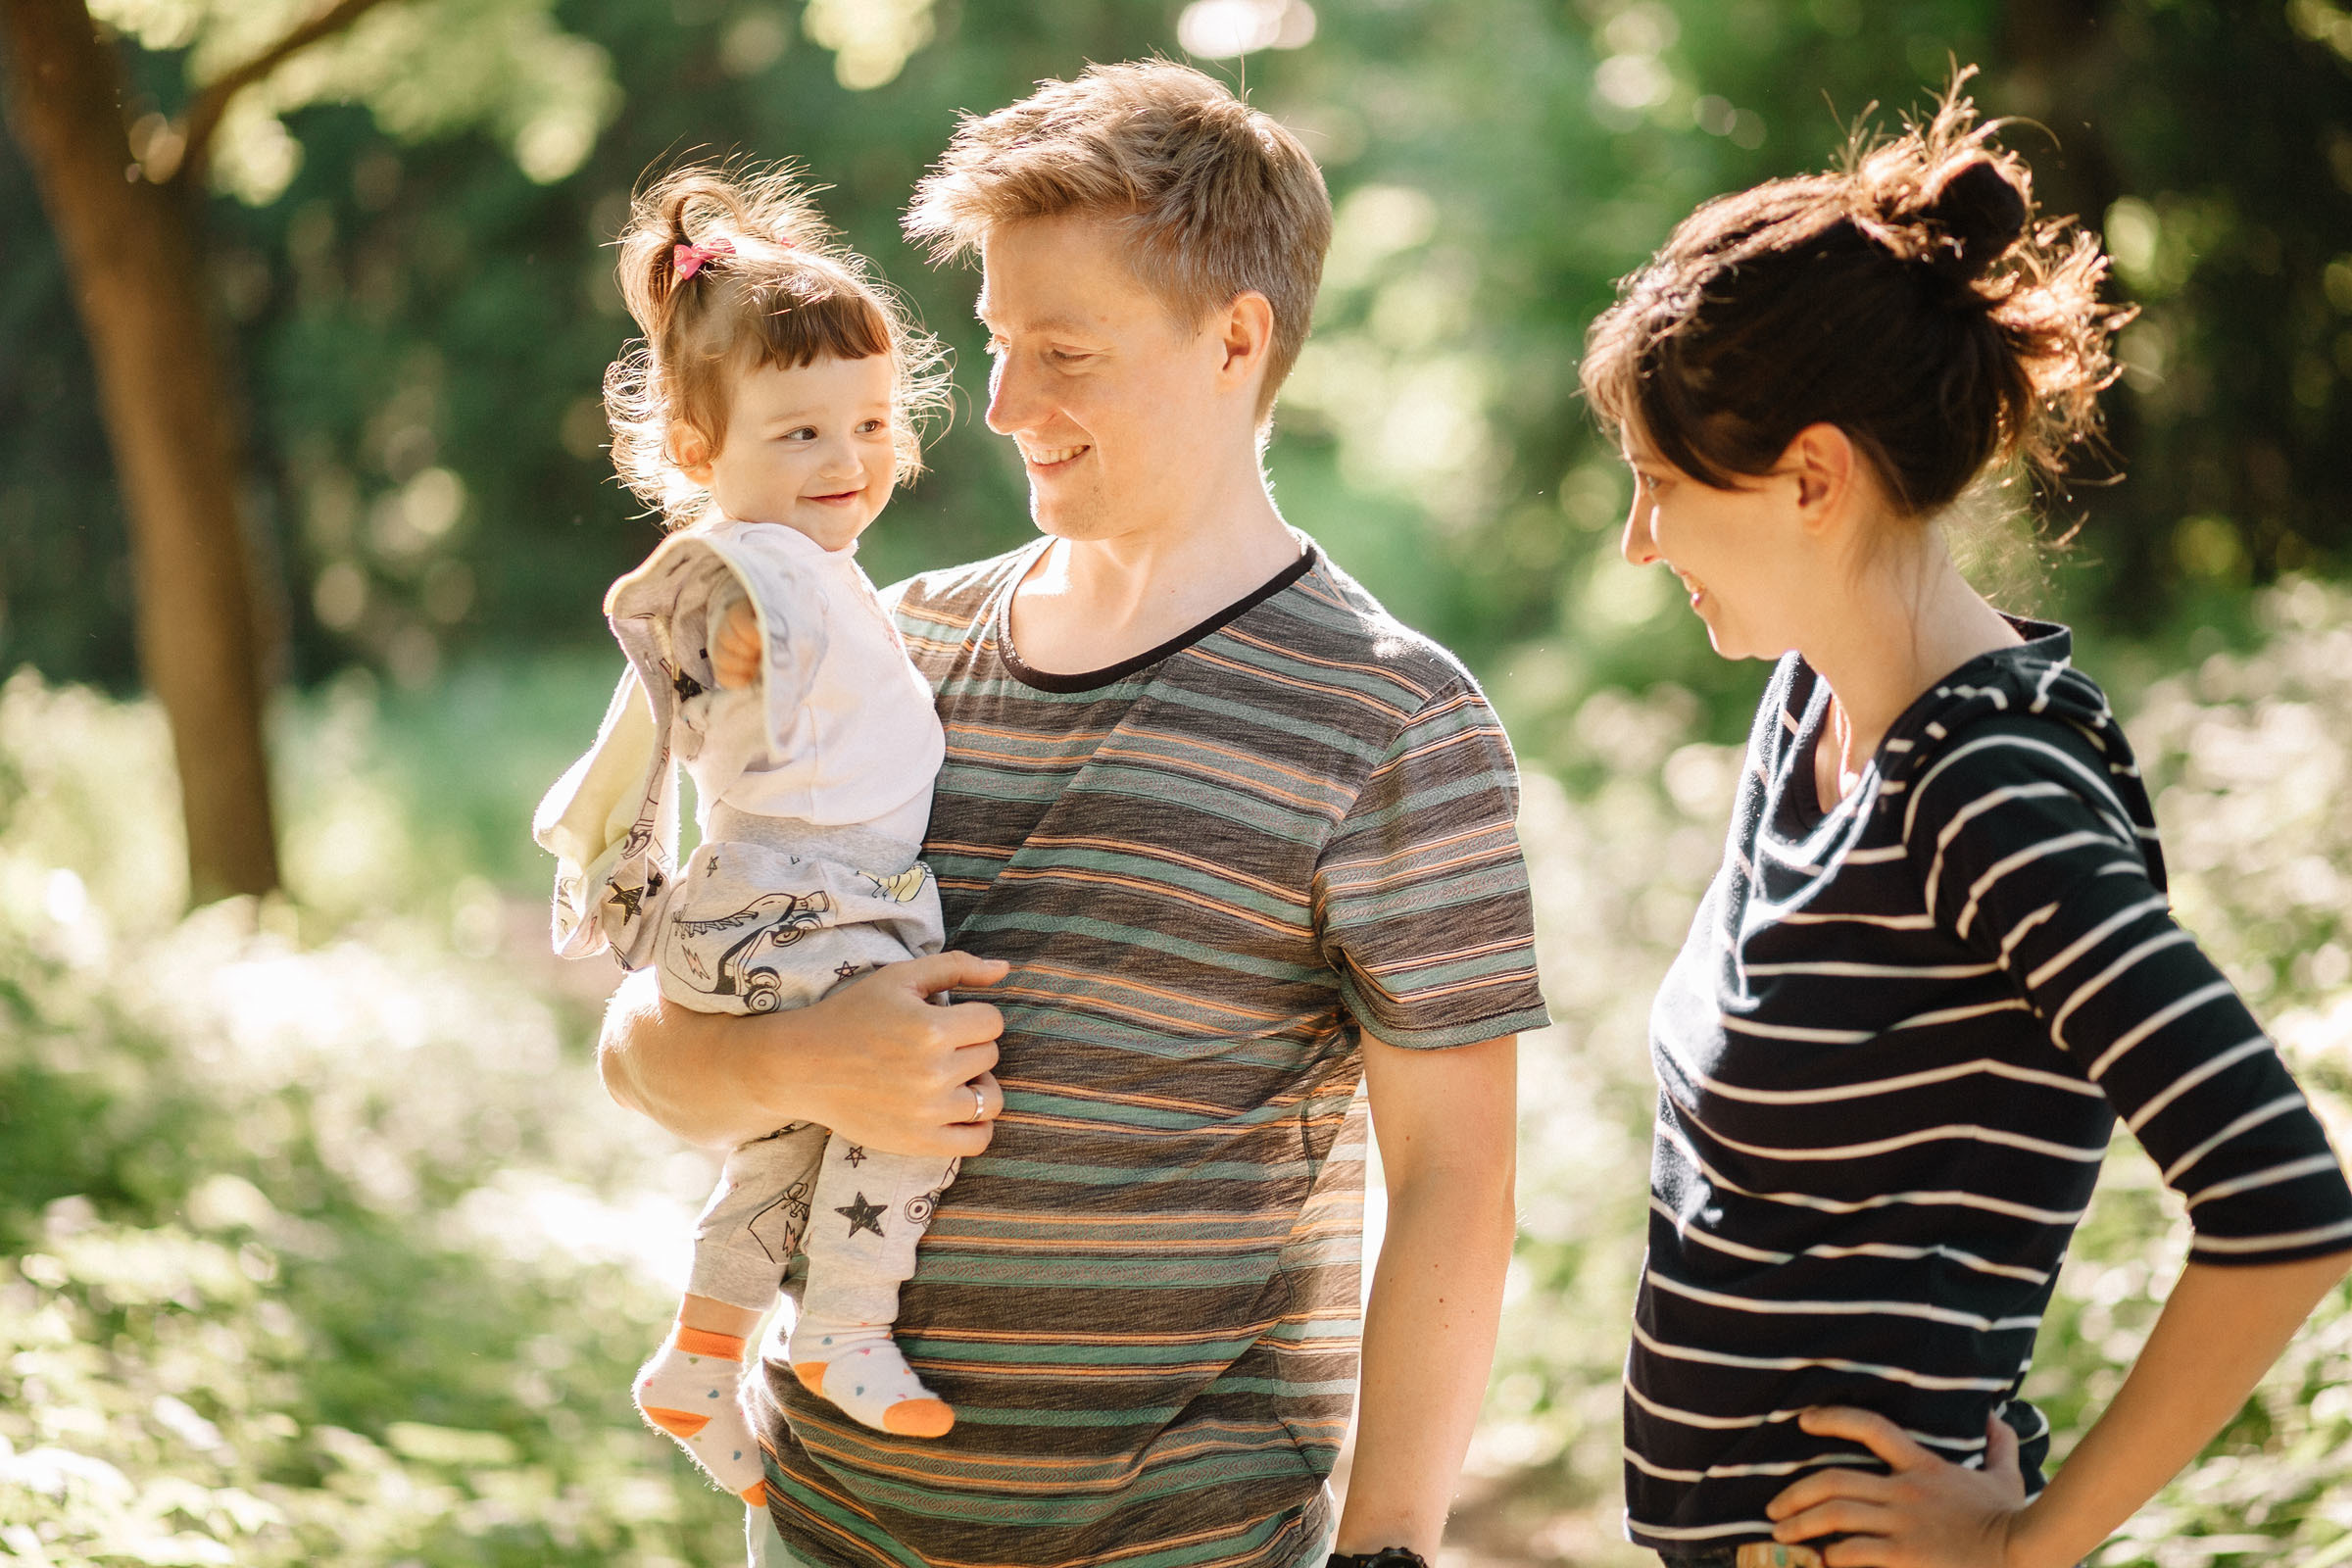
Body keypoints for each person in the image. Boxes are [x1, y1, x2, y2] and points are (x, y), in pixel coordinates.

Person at [597, 61, 1551, 1568]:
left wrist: (1388, 1549)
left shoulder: (1392, 722)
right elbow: (641, 1049)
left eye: (1065, 352)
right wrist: (802, 1061)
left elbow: (1456, 1178)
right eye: (993, 342)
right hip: (826, 1529)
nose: (1000, 404)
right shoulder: (873, 650)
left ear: (1236, 339)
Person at [1579, 76, 2352, 1568]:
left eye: (1662, 486)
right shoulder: (1809, 702)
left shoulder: (1989, 791)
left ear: (1811, 476)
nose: (1637, 540)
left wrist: (2022, 1545)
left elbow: (2283, 1204)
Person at [534, 166, 968, 1504]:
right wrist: (733, 630)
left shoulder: (823, 566)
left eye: (872, 424)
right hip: (812, 909)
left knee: (791, 1153)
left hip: (774, 908)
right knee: (919, 1098)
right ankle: (841, 1329)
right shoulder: (758, 565)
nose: (846, 461)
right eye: (800, 434)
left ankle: (703, 1357)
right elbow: (723, 609)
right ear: (702, 447)